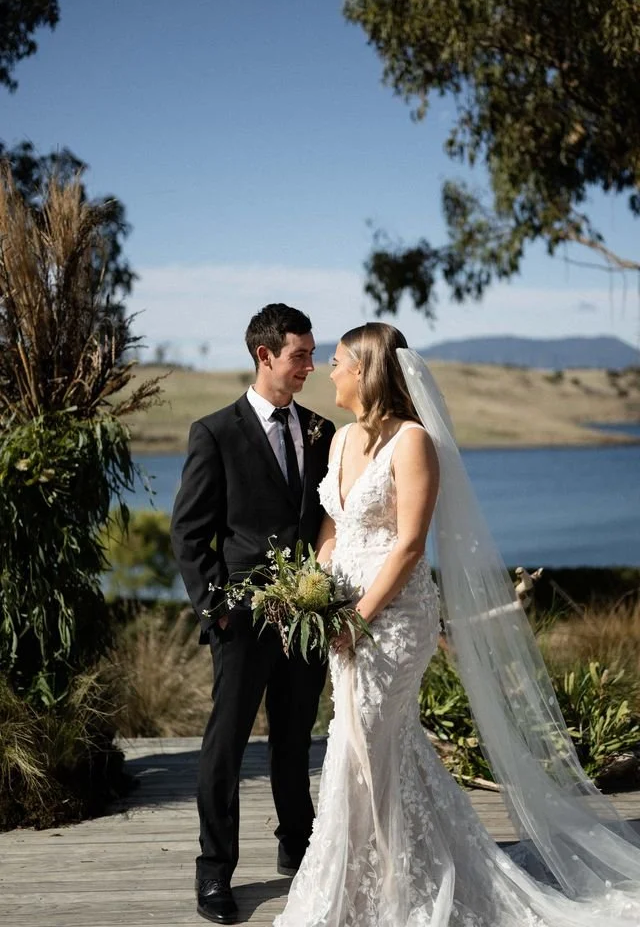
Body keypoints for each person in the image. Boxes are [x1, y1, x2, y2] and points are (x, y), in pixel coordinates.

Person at [274, 321, 640, 927]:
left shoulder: (412, 442)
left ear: (365, 371)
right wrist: (309, 600)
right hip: (343, 620)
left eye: (338, 361)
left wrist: (360, 618)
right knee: (368, 744)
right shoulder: (339, 442)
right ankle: (375, 881)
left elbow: (411, 544)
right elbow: (333, 531)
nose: (329, 371)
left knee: (363, 739)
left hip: (394, 620)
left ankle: (388, 891)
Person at [171, 303, 334, 925]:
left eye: (314, 355)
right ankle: (214, 873)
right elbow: (190, 534)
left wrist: (323, 596)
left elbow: (326, 521)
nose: (310, 367)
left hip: (307, 620)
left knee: (295, 742)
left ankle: (299, 849)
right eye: (300, 356)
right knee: (226, 747)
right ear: (264, 355)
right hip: (241, 621)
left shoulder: (320, 428)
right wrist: (219, 611)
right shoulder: (215, 432)